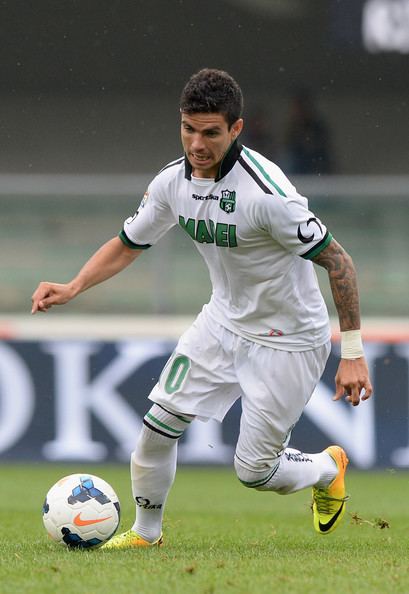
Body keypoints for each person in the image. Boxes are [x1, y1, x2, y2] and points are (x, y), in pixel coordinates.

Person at [31, 68, 373, 548]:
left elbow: (339, 262)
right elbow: (129, 243)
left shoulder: (268, 195)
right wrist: (73, 286)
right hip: (220, 323)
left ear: (236, 129)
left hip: (288, 340)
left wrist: (353, 352)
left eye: (211, 132)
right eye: (188, 129)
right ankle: (147, 535)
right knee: (157, 426)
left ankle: (325, 467)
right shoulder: (173, 182)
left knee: (254, 471)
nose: (197, 144)